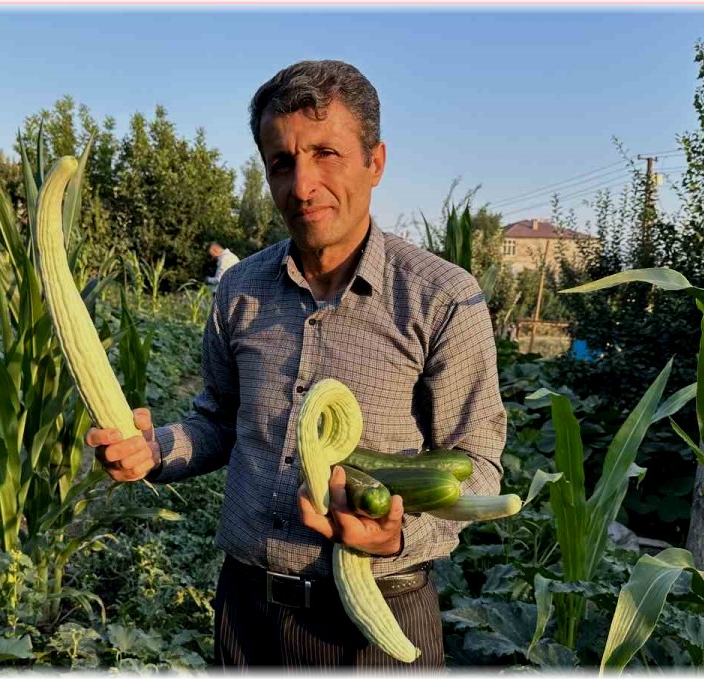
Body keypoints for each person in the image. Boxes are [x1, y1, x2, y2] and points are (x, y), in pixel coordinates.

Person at [86, 60, 504, 668]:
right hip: (246, 610)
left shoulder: (441, 298)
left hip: (376, 620)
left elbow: (478, 467)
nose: (302, 185)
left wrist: (399, 533)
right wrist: (154, 450)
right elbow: (218, 421)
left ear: (375, 162)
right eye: (282, 162)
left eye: (326, 153)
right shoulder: (240, 291)